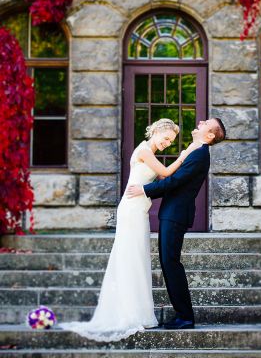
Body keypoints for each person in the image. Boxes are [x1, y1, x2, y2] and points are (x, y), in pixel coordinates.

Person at [59, 119, 197, 341]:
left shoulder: (150, 152)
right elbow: (166, 171)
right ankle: (127, 313)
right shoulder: (144, 150)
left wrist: (185, 157)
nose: (167, 144)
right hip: (131, 211)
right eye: (167, 138)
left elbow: (166, 178)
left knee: (137, 259)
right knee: (129, 258)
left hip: (139, 212)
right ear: (158, 131)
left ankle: (138, 312)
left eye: (171, 142)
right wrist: (185, 154)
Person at [126, 118, 226, 330]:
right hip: (172, 213)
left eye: (206, 123)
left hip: (176, 215)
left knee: (171, 263)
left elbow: (174, 181)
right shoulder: (195, 151)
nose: (200, 121)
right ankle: (183, 314)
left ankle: (185, 317)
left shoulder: (200, 155)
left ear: (209, 135)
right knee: (168, 262)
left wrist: (145, 190)